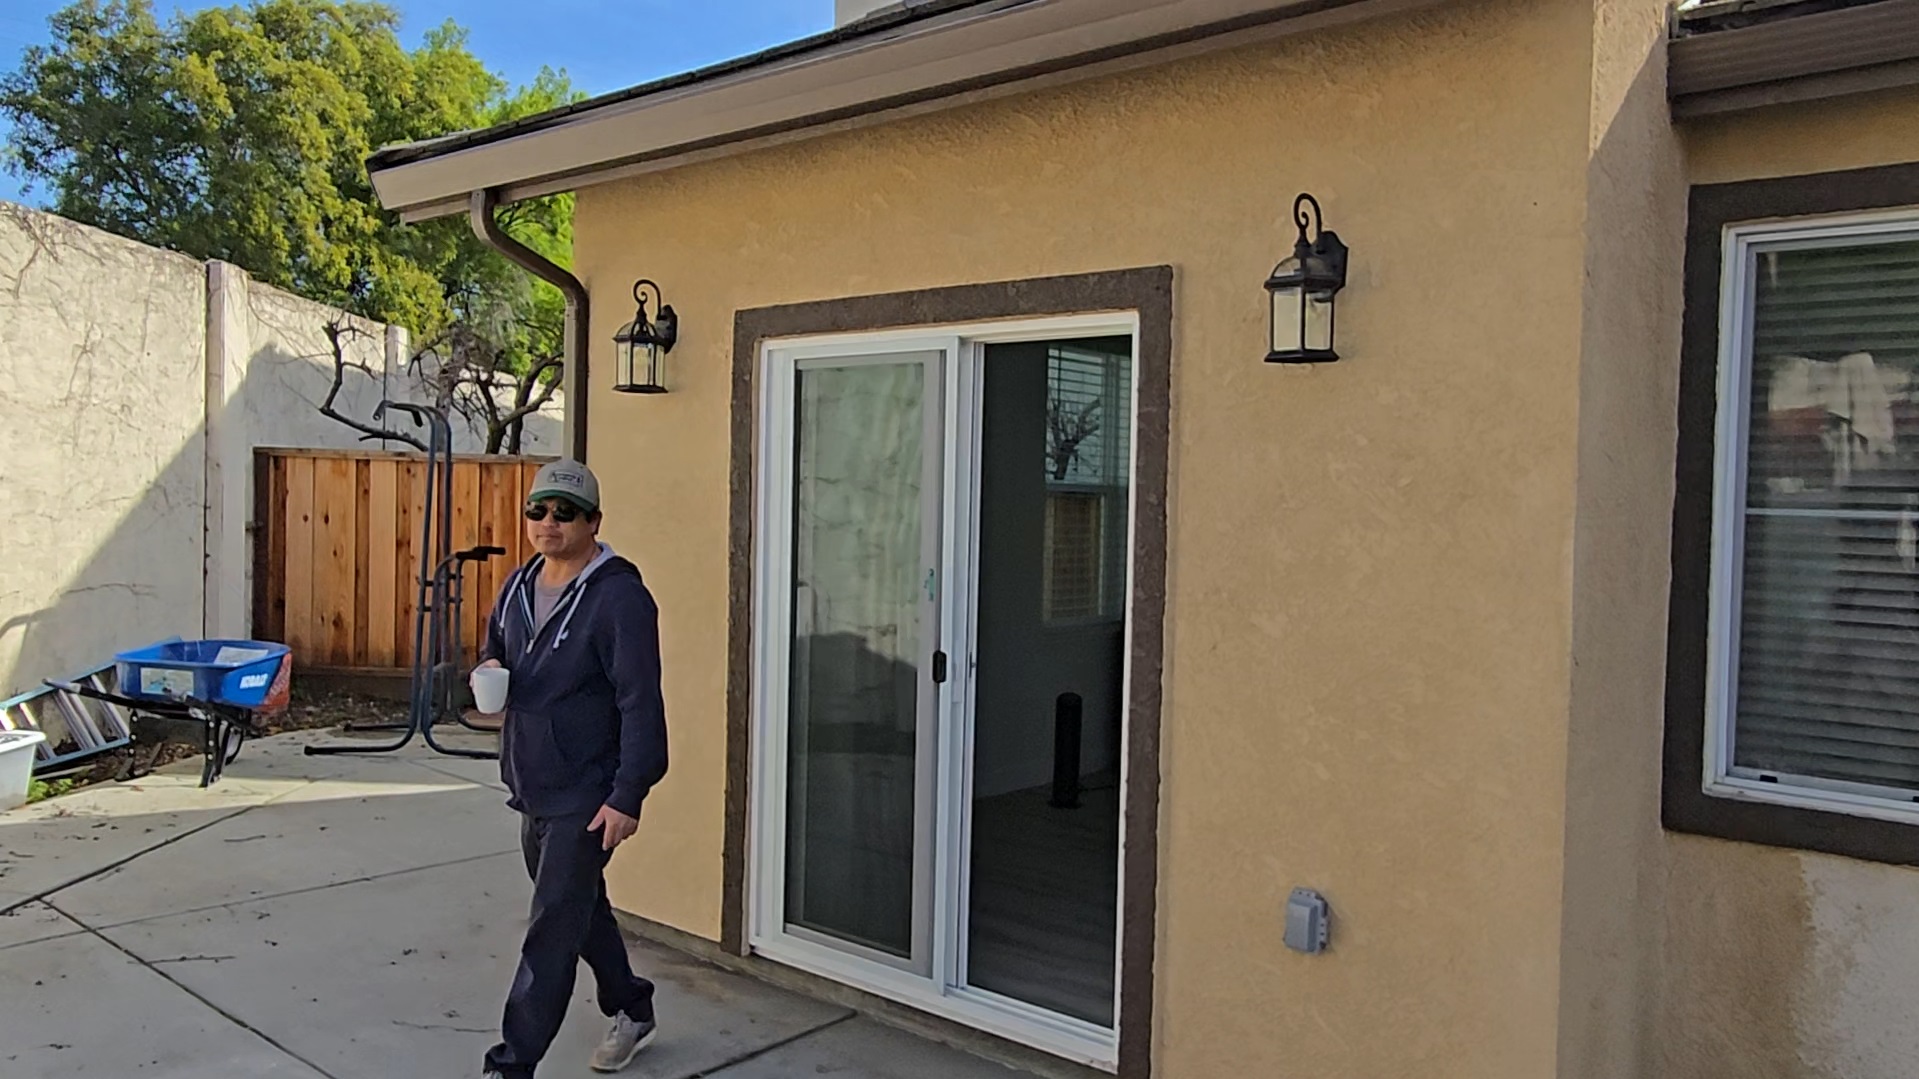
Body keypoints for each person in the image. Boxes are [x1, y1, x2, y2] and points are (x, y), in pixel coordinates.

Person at [475, 458, 668, 1078]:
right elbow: (496, 650)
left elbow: (641, 699)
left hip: (588, 790)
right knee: (579, 908)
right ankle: (632, 1006)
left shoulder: (619, 598)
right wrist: (485, 673)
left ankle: (511, 1065)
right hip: (533, 781)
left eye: (565, 512)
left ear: (593, 522)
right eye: (538, 510)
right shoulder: (519, 584)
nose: (548, 522)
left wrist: (628, 793)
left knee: (552, 929)